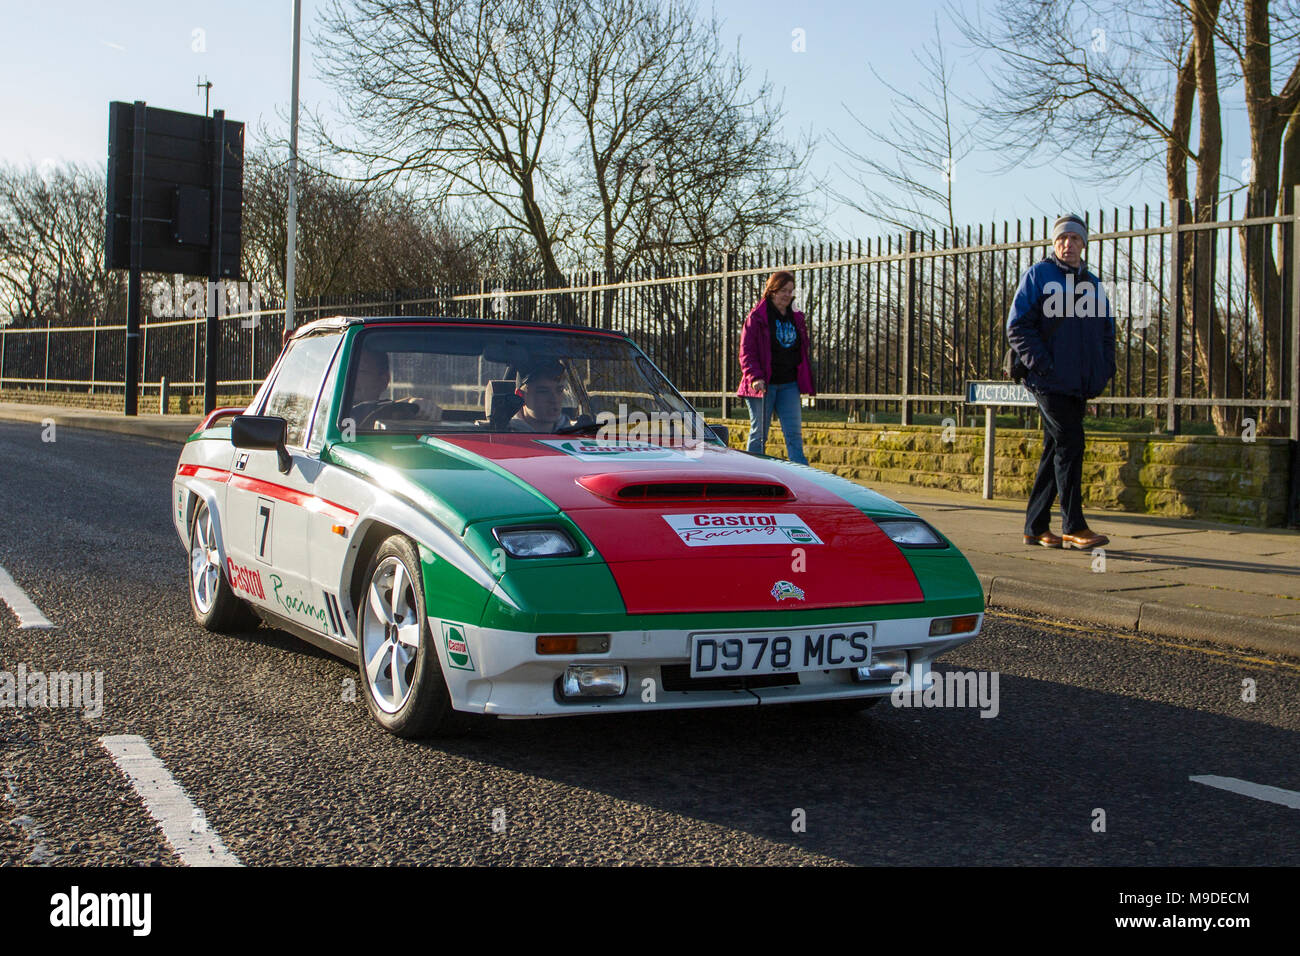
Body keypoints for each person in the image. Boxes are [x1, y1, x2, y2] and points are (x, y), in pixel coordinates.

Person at [1006, 213, 1116, 551]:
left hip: (1077, 384)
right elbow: (1017, 327)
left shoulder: (1093, 284)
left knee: (1056, 449)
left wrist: (1103, 372)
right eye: (1061, 239)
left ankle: (1035, 527)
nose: (1067, 244)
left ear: (1084, 244)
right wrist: (1043, 365)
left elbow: (1107, 333)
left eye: (1074, 238)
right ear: (1053, 244)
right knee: (1072, 443)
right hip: (1047, 382)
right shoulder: (1038, 275)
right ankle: (1074, 526)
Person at [735, 271, 816, 464]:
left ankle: (802, 476)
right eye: (783, 291)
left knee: (794, 434)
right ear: (772, 291)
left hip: (789, 383)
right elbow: (747, 351)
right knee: (760, 434)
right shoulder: (758, 316)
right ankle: (751, 474)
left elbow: (802, 347)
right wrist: (754, 377)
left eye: (790, 291)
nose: (787, 295)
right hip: (763, 385)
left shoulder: (796, 317)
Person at [350, 347, 438, 425]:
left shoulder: (395, 416)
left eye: (362, 372)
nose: (351, 377)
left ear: (383, 381)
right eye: (346, 371)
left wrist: (419, 408)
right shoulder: (337, 417)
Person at [509, 360, 572, 432]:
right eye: (543, 392)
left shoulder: (578, 434)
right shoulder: (502, 438)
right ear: (520, 396)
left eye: (560, 390)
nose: (554, 399)